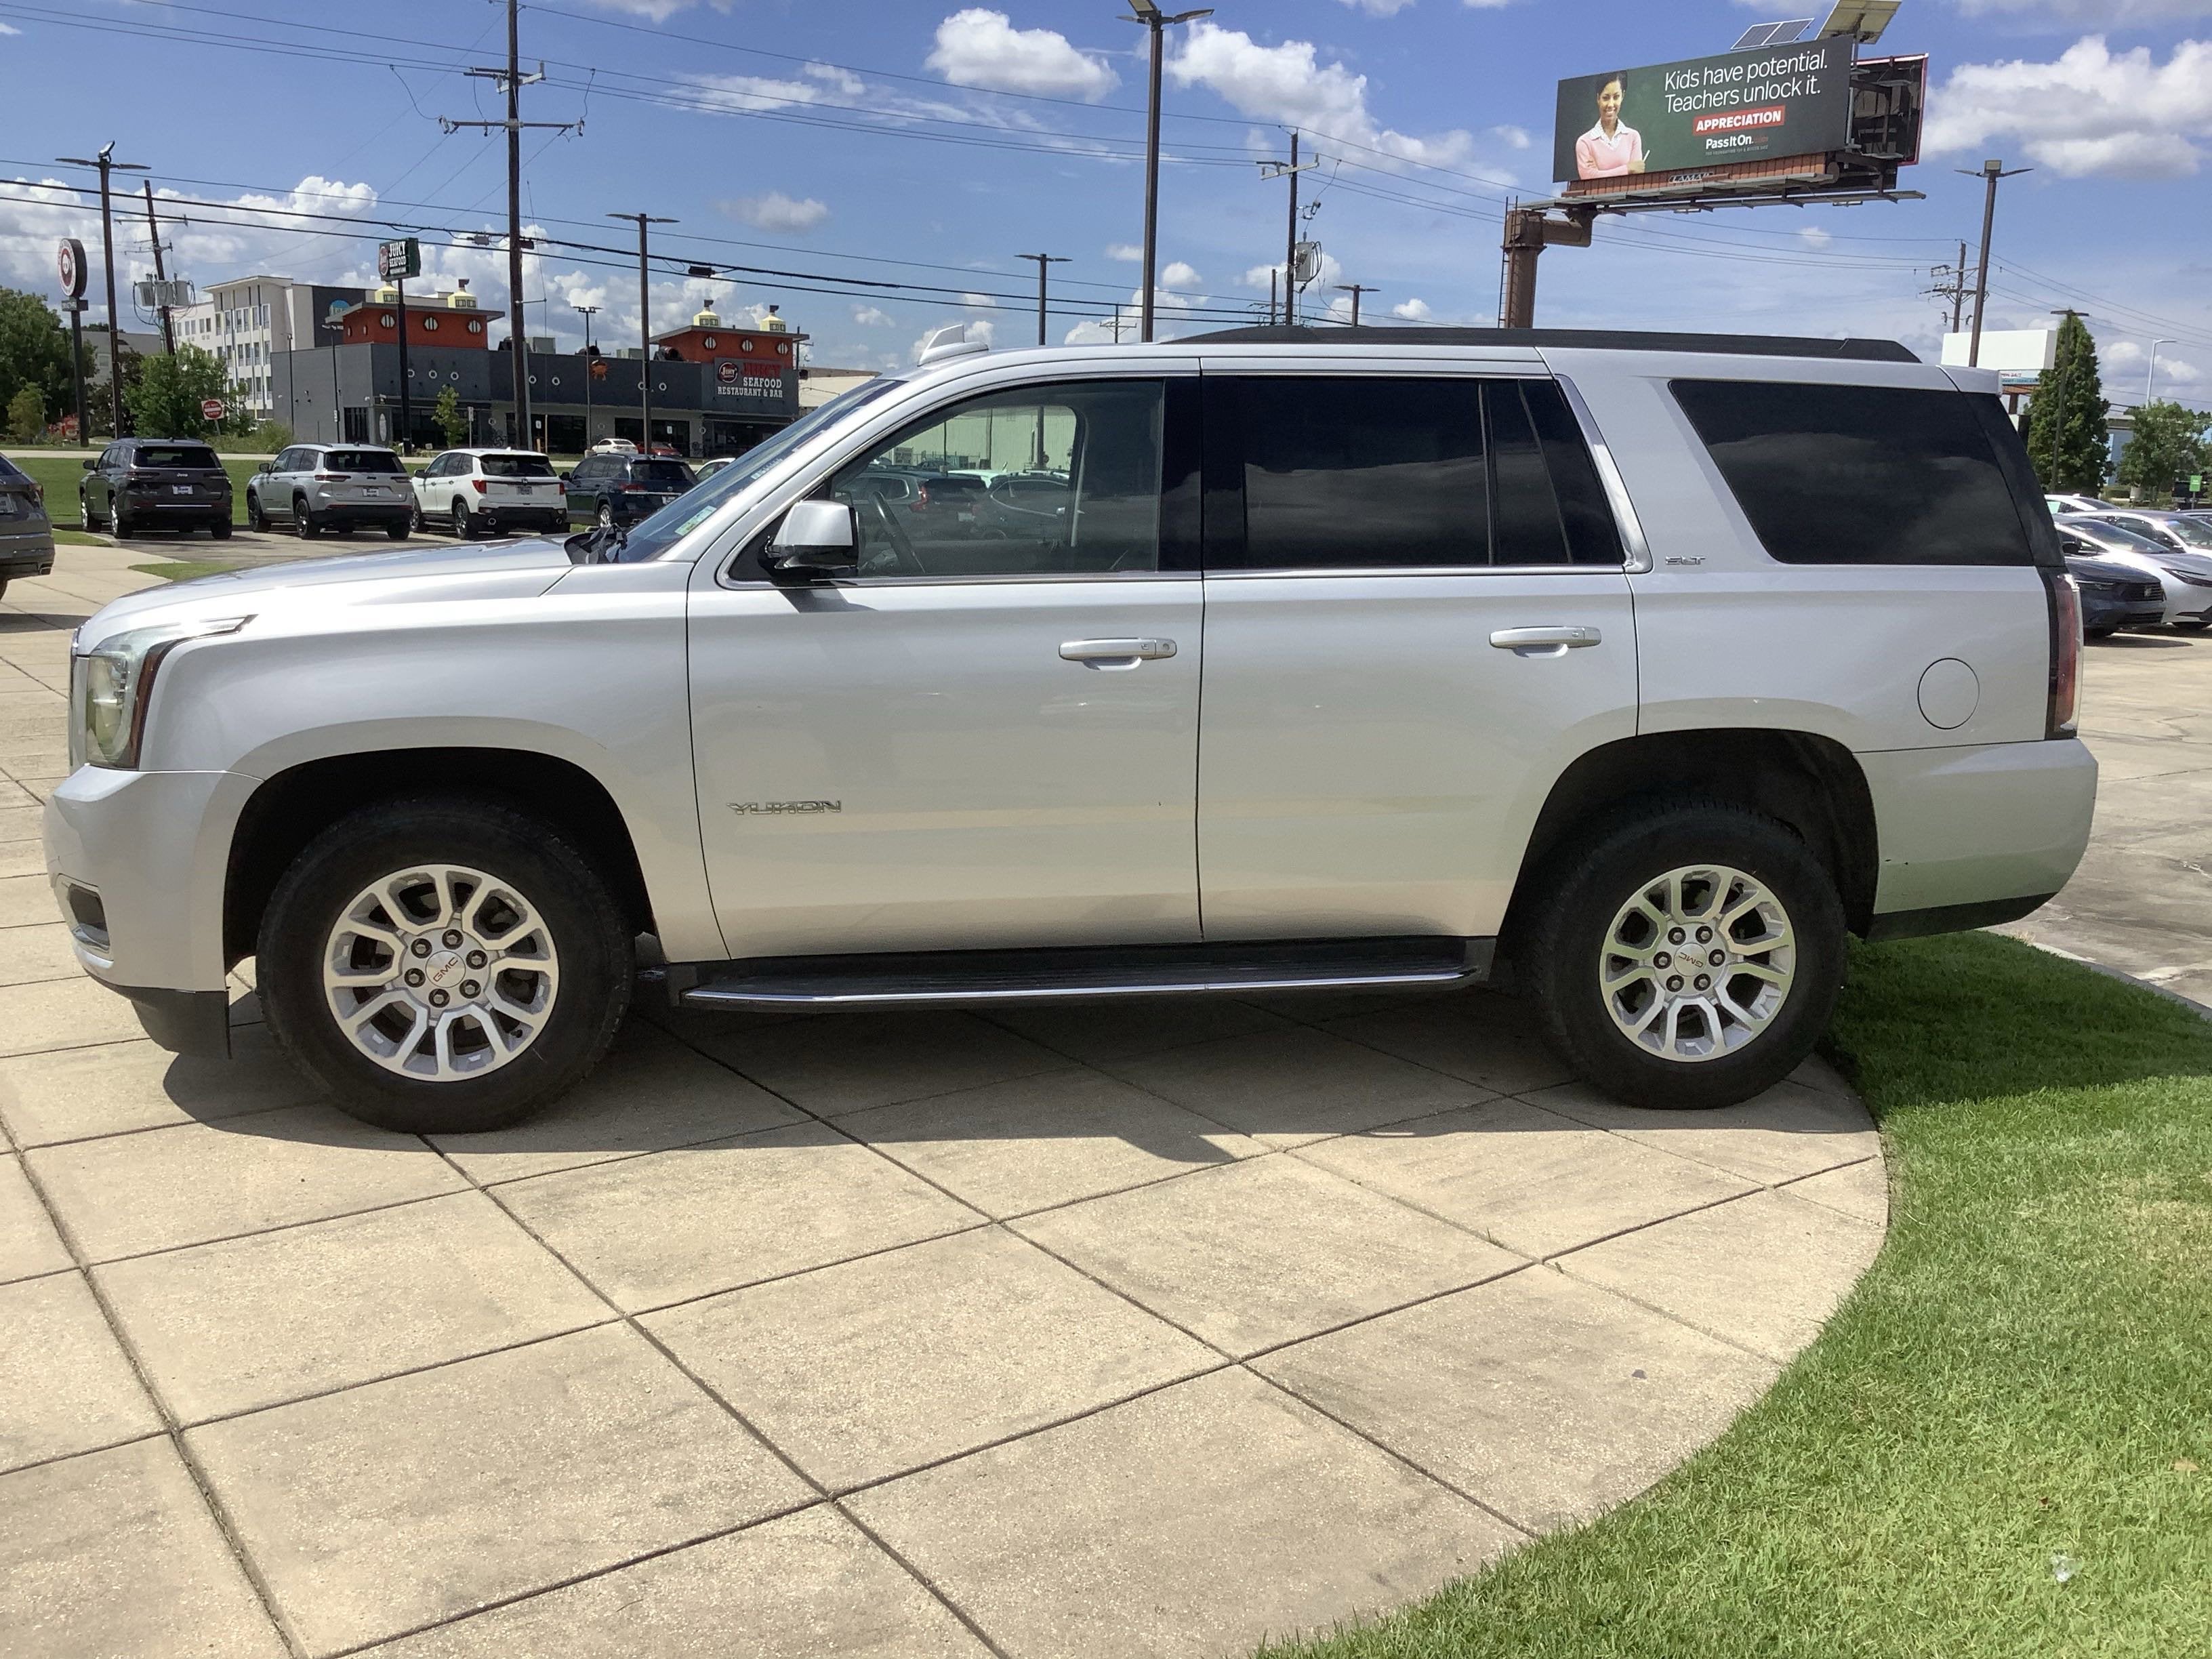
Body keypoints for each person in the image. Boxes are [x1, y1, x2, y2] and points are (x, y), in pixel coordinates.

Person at [1576, 75, 1646, 180]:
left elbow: (1637, 175)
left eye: (1616, 97)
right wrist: (1627, 169)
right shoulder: (1585, 142)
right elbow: (1588, 177)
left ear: (1623, 96)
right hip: (1596, 197)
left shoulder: (1633, 137)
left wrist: (1600, 173)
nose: (1611, 104)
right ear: (1598, 98)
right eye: (1606, 98)